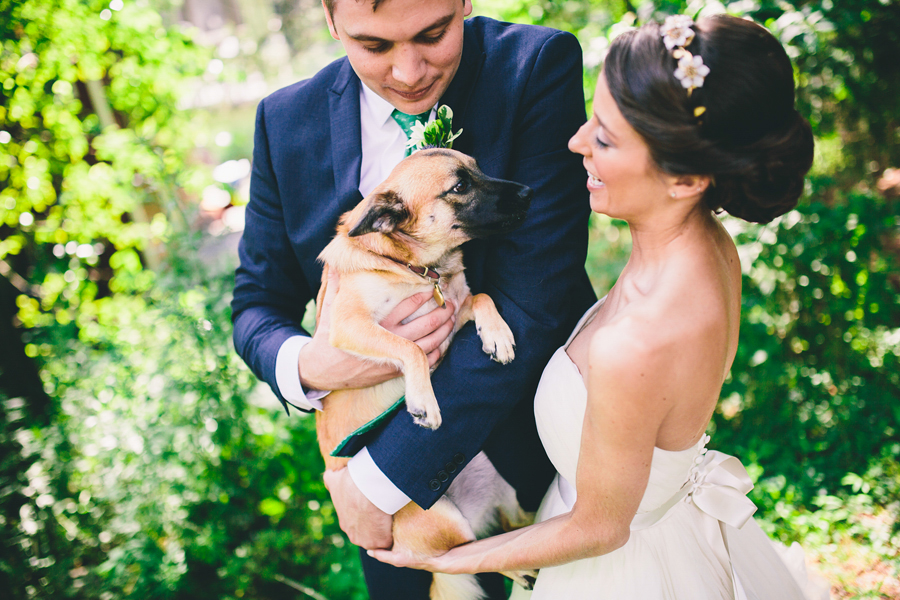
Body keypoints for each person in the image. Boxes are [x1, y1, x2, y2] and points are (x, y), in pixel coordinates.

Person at [370, 13, 830, 599]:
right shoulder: (705, 245)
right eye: (593, 117)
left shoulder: (634, 343)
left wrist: (447, 557)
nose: (576, 141)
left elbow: (599, 528)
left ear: (686, 179)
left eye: (606, 139)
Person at [230, 0, 596, 598]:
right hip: (395, 524)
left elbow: (536, 301)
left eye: (433, 34)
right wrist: (315, 364)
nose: (408, 72)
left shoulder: (533, 66)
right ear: (331, 21)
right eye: (374, 46)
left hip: (537, 467)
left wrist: (378, 481)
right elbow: (255, 304)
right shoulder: (284, 119)